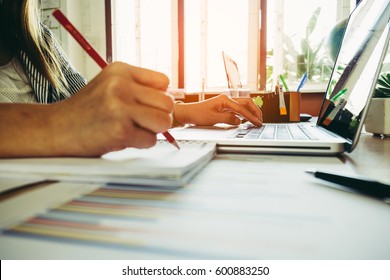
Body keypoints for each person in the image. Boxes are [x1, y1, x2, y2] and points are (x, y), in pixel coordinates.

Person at [0, 0, 262, 158]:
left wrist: (182, 113)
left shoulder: (39, 41)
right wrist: (61, 123)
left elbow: (94, 113)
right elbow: (77, 118)